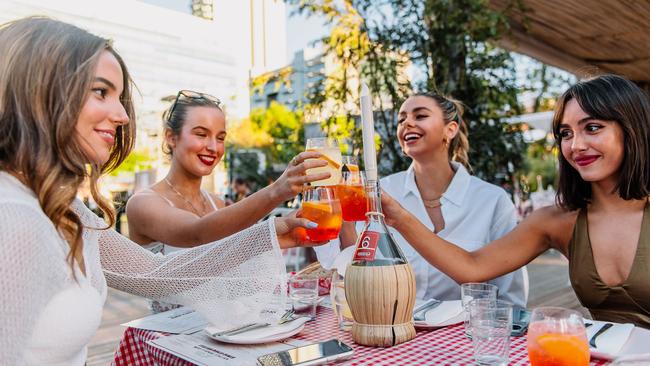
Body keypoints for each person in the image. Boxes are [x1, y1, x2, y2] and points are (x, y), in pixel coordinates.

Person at [0, 17, 327, 365]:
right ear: (38, 91)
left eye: (119, 97)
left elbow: (155, 274)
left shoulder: (64, 209)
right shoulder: (15, 219)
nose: (123, 115)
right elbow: (192, 240)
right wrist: (277, 195)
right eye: (100, 92)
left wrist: (270, 234)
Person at [380, 74, 650, 328]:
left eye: (592, 128)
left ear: (632, 130)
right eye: (566, 133)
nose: (576, 145)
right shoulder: (556, 221)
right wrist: (398, 217)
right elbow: (471, 268)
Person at [316, 92, 527, 307]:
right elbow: (357, 268)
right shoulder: (382, 191)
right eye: (401, 119)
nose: (407, 123)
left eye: (420, 116)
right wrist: (342, 216)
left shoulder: (492, 200)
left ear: (450, 129)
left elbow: (510, 297)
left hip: (466, 334)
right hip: (396, 327)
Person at [126, 89, 327, 312]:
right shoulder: (142, 203)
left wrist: (280, 238)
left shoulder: (217, 204)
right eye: (201, 134)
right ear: (171, 137)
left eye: (220, 138)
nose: (213, 147)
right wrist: (277, 190)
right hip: (168, 339)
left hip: (221, 330)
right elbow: (197, 234)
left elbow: (228, 266)